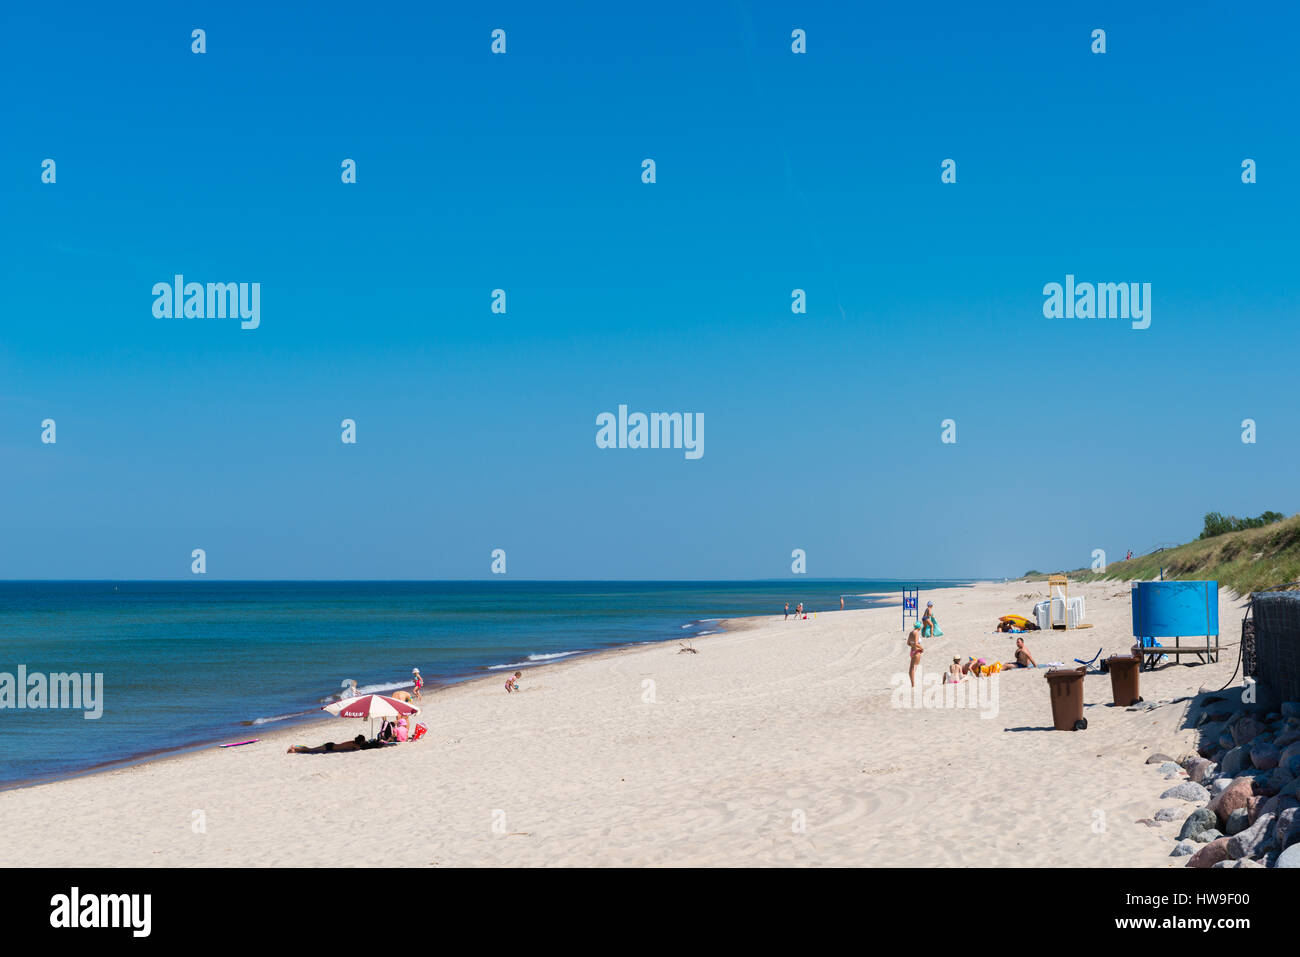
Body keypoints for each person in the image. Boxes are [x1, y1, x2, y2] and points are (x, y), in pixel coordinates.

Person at [287, 734, 367, 754]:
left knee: (311, 749)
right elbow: (359, 748)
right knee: (310, 750)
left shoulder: (352, 742)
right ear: (361, 741)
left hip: (331, 745)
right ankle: (295, 747)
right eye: (364, 740)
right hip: (329, 747)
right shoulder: (356, 746)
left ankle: (294, 750)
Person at [906, 621, 924, 687]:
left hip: (912, 651)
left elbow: (908, 643)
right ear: (919, 627)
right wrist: (922, 648)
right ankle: (913, 684)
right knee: (914, 668)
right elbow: (916, 643)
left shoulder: (911, 632)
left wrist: (912, 645)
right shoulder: (916, 633)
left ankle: (912, 683)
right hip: (916, 651)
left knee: (911, 668)